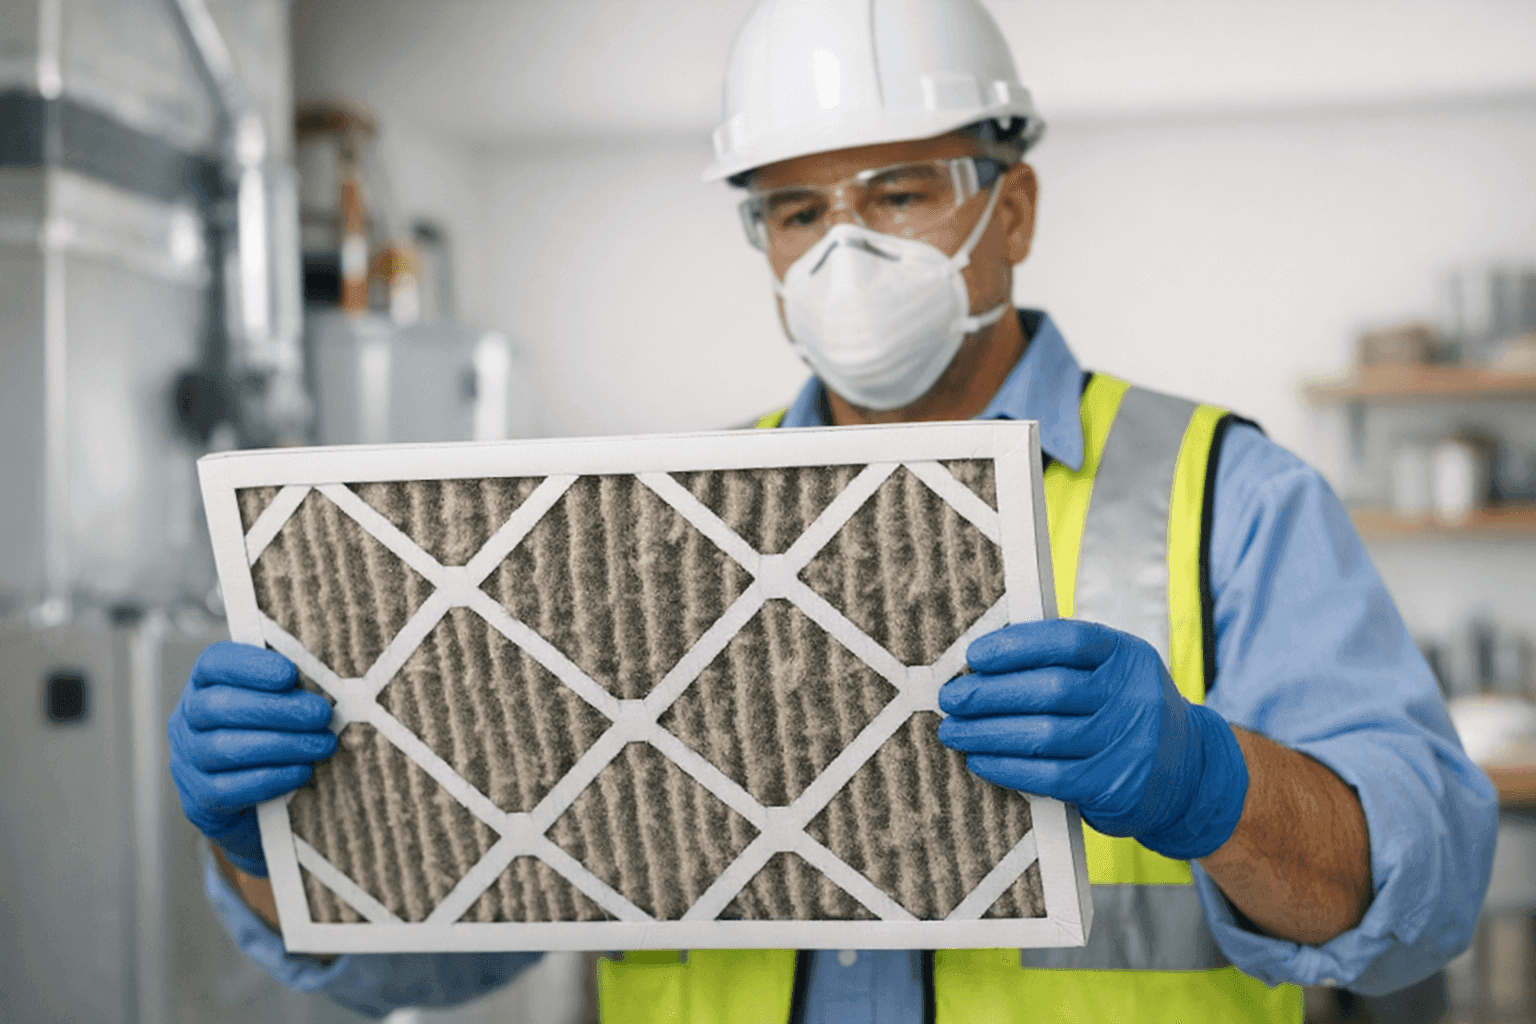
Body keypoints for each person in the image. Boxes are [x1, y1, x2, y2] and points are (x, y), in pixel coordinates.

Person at [168, 0, 1498, 1019]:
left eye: (901, 193)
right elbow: (455, 942)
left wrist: (1208, 782)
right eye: (797, 210)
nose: (844, 250)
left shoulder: (1230, 497)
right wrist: (281, 844)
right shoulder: (648, 526)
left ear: (1011, 207)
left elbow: (1419, 903)